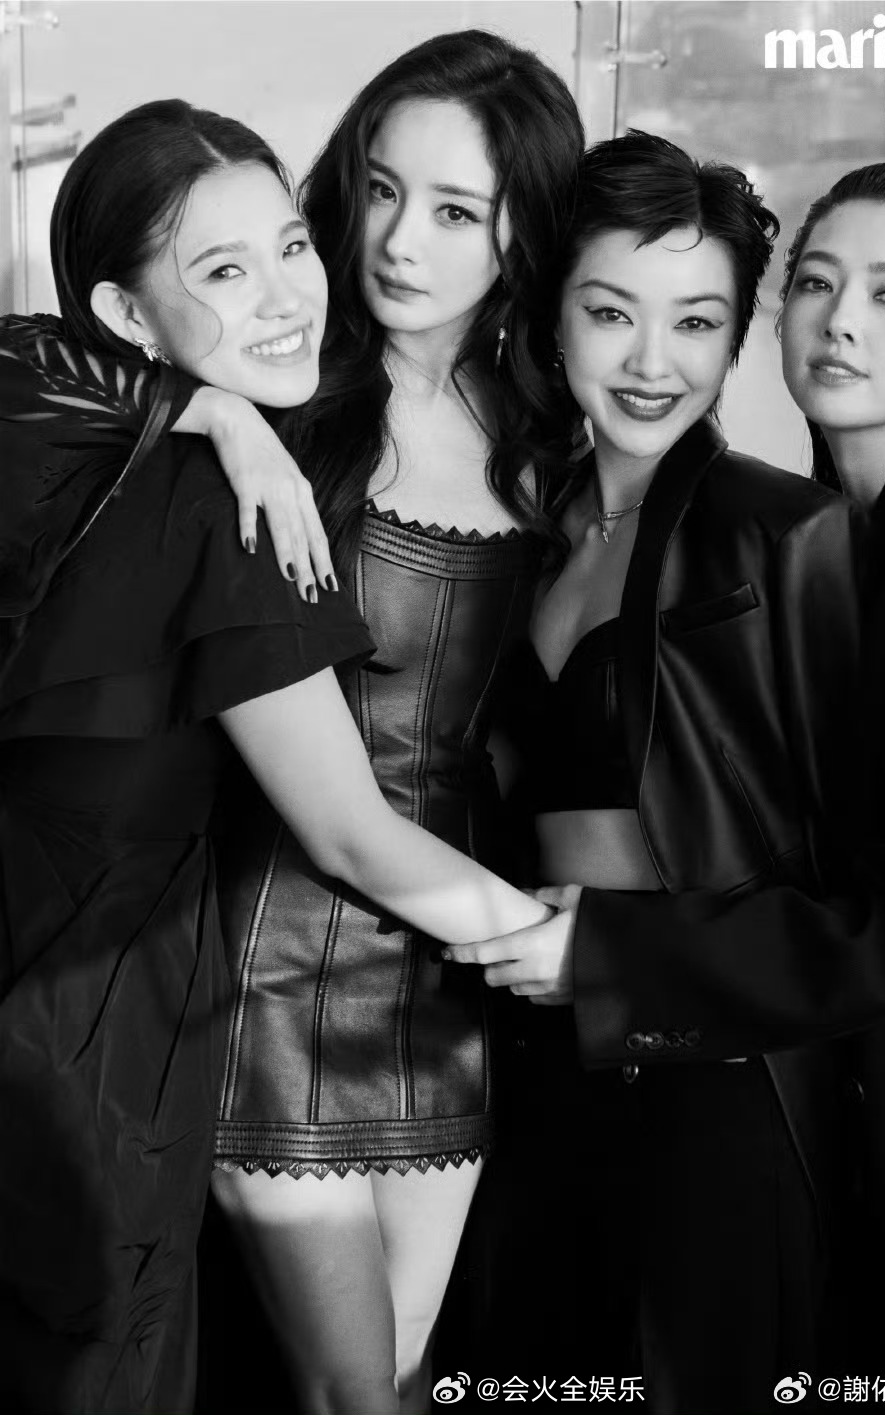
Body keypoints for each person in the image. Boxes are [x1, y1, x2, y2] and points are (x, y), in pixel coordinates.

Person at [1, 33, 585, 1415]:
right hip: (262, 948)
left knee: (407, 1373)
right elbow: (37, 360)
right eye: (377, 191)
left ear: (522, 232)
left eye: (456, 210)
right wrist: (193, 398)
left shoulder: (548, 425)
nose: (396, 242)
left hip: (444, 963)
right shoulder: (283, 407)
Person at [457, 161, 885, 1389]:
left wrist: (617, 953)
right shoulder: (858, 525)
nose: (841, 321)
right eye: (818, 284)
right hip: (858, 1085)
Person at [448, 132, 860, 1413]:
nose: (651, 361)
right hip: (532, 1063)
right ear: (553, 317)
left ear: (736, 341)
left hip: (713, 1080)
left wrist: (625, 955)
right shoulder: (526, 525)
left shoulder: (785, 535)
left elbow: (856, 887)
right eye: (612, 311)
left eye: (697, 322)